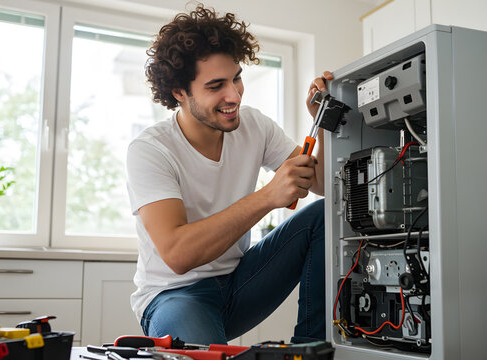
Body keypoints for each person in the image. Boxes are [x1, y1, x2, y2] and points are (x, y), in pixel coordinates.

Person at [126, 3, 333, 345]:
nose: (233, 95)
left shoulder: (255, 125)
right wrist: (268, 196)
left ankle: (310, 349)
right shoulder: (150, 150)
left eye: (237, 77)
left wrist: (322, 120)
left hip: (241, 283)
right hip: (175, 296)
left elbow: (322, 184)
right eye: (216, 86)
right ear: (180, 92)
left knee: (325, 217)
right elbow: (178, 255)